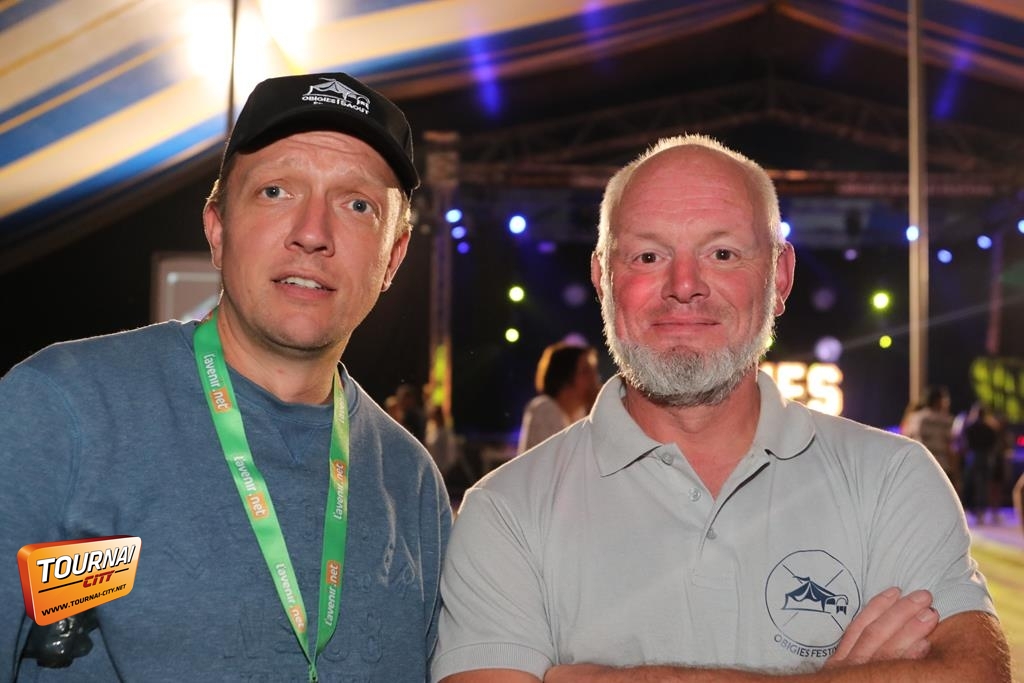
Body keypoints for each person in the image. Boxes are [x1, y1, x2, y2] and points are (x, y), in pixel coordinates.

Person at [432, 135, 1010, 682]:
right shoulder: (505, 513)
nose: (684, 285)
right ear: (602, 279)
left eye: (723, 253)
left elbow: (974, 673)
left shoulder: (892, 479)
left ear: (780, 277)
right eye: (648, 256)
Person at [1, 72, 452, 681]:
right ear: (217, 228)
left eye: (357, 205)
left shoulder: (411, 481)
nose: (312, 233)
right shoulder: (63, 411)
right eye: (275, 191)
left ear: (393, 257)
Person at [516, 342, 601, 454]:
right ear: (564, 379)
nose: (594, 378)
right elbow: (566, 459)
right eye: (586, 372)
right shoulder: (545, 409)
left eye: (594, 371)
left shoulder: (579, 414)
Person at [901, 385, 957, 491]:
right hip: (941, 467)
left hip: (919, 464)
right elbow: (950, 447)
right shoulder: (946, 420)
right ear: (938, 401)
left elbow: (906, 438)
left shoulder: (915, 418)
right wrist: (955, 471)